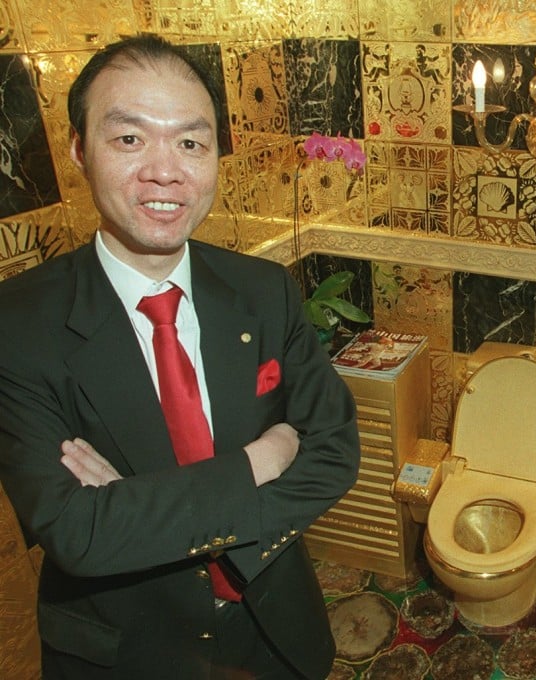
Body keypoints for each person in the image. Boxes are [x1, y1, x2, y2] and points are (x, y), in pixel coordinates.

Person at [0, 35, 361, 678]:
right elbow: (78, 532)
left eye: (191, 142)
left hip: (275, 623)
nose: (165, 171)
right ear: (80, 150)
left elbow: (332, 446)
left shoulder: (262, 289)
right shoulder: (18, 325)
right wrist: (258, 460)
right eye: (130, 139)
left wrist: (139, 505)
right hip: (129, 648)